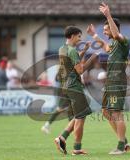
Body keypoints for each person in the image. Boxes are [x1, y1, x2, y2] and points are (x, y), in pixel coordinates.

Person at [87, 2, 130, 155]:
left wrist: (108, 15)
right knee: (106, 112)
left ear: (114, 28)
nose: (105, 32)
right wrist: (94, 35)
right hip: (110, 83)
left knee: (117, 113)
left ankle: (121, 147)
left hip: (117, 83)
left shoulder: (123, 41)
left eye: (106, 30)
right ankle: (124, 141)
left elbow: (116, 34)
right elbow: (105, 46)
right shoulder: (113, 45)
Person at [54, 26, 99, 156]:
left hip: (66, 86)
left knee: (79, 115)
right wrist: (92, 58)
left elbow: (73, 61)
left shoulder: (62, 48)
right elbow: (80, 70)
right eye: (79, 36)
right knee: (80, 117)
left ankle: (62, 138)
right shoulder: (72, 50)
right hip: (74, 87)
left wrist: (84, 50)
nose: (80, 39)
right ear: (73, 36)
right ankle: (76, 148)